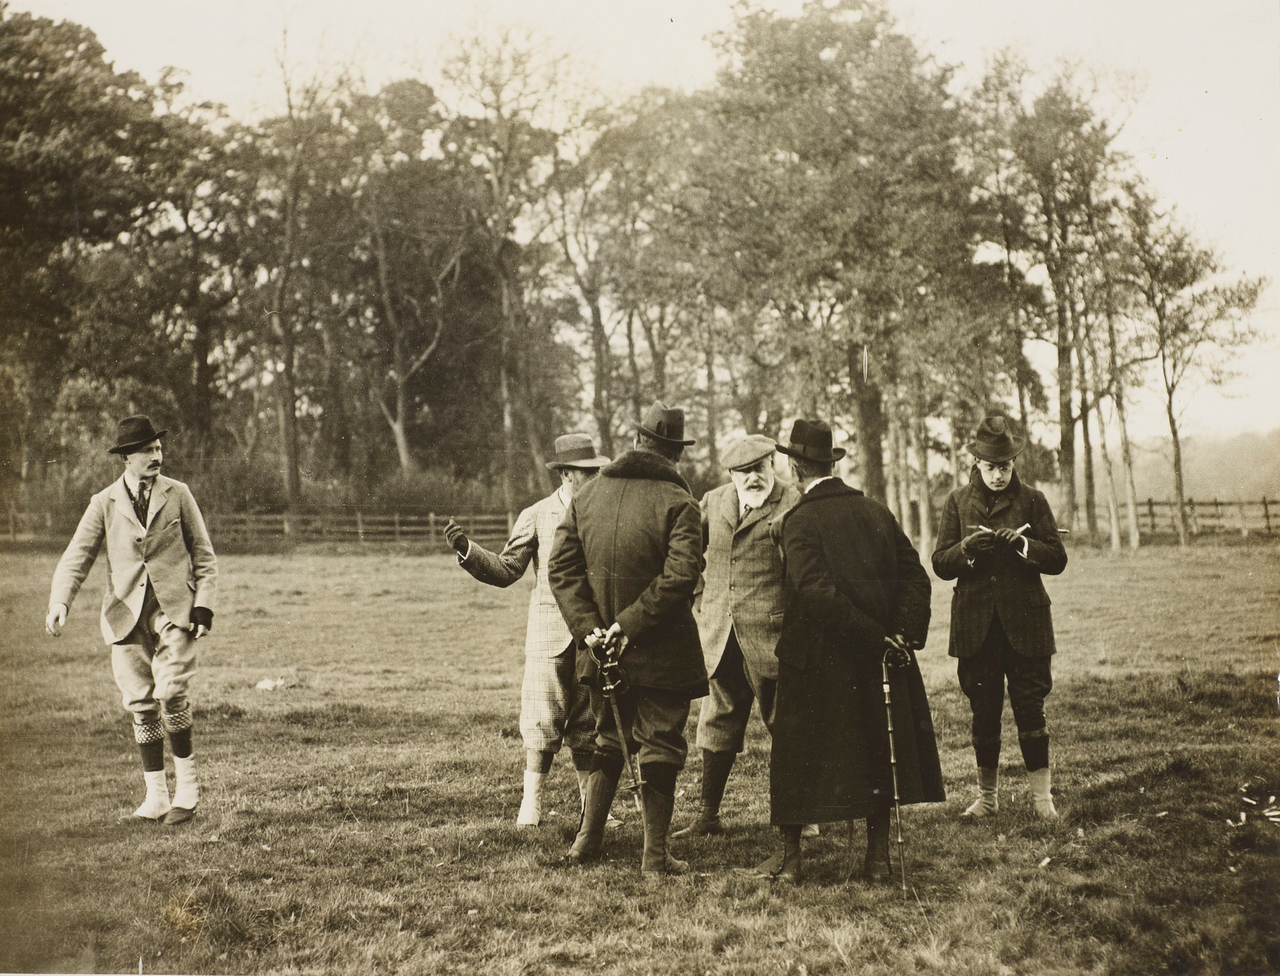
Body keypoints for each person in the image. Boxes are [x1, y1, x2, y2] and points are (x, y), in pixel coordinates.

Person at [755, 418, 944, 884]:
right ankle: (877, 859)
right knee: (878, 749)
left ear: (795, 468)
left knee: (797, 755)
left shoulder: (797, 521)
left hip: (815, 660)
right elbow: (916, 578)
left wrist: (877, 636)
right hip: (874, 659)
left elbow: (815, 592)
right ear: (830, 463)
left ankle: (793, 860)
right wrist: (898, 634)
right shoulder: (877, 512)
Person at [548, 401, 708, 877]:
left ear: (637, 441)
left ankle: (586, 843)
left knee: (607, 738)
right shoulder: (681, 502)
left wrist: (591, 629)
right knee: (660, 742)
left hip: (600, 651)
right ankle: (655, 858)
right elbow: (682, 576)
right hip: (662, 650)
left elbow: (561, 568)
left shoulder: (587, 495)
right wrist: (628, 626)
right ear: (675, 454)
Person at [45, 416, 218, 826]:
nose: (156, 456)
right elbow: (77, 557)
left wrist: (204, 605)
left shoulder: (179, 494)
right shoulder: (103, 503)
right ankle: (156, 796)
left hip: (175, 611)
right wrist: (59, 602)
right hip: (125, 615)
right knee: (140, 702)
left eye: (158, 449)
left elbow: (205, 556)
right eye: (146, 450)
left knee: (172, 689)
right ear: (126, 457)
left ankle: (188, 791)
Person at [442, 433, 612, 828]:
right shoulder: (537, 515)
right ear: (568, 474)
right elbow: (506, 569)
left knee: (589, 724)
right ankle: (531, 805)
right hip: (548, 635)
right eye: (588, 472)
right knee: (541, 719)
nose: (595, 477)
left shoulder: (605, 513)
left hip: (591, 635)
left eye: (597, 470)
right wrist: (468, 550)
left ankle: (593, 810)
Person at [932, 415, 1068, 820]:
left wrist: (1025, 545)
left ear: (1013, 464)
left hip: (1026, 625)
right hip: (977, 628)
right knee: (984, 711)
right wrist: (967, 549)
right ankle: (987, 799)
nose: (997, 475)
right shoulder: (957, 501)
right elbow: (940, 563)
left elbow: (1058, 558)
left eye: (1004, 467)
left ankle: (1042, 801)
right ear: (976, 464)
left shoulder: (1033, 499)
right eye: (990, 467)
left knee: (1031, 708)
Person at [673, 434, 801, 839]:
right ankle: (708, 815)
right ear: (730, 474)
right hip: (719, 635)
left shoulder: (794, 502)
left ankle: (803, 815)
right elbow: (686, 551)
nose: (753, 478)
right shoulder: (713, 501)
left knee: (787, 723)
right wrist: (697, 594)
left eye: (759, 469)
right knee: (717, 721)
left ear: (772, 466)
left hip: (772, 635)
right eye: (743, 472)